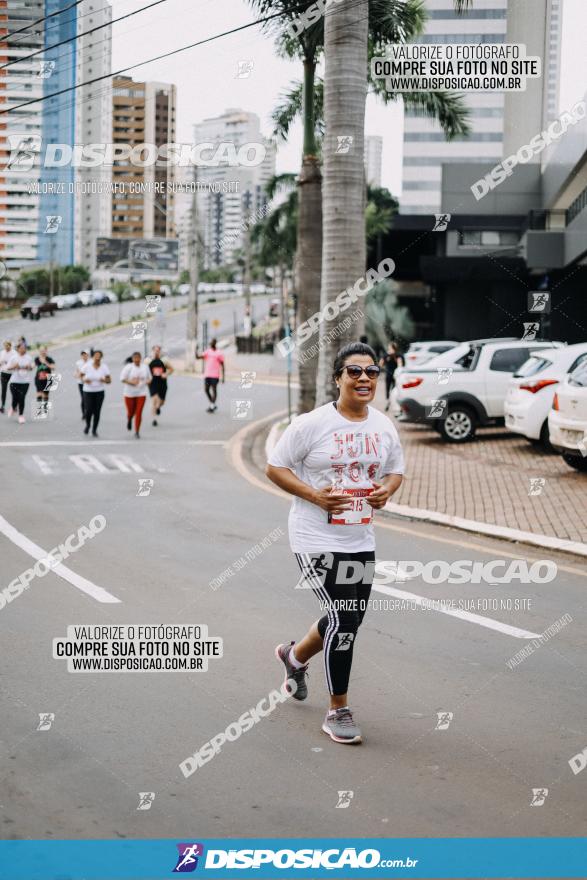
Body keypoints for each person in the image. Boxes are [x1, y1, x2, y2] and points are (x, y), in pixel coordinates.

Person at [266, 341, 405, 745]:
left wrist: (386, 490)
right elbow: (275, 467)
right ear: (338, 378)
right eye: (355, 372)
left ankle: (293, 657)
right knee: (344, 617)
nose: (364, 378)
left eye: (371, 372)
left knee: (349, 618)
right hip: (314, 537)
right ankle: (337, 711)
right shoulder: (311, 424)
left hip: (359, 536)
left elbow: (395, 471)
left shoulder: (383, 425)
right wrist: (315, 496)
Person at [120, 351, 150, 438]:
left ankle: (137, 431)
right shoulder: (128, 367)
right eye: (135, 358)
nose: (137, 360)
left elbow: (149, 378)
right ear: (132, 359)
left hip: (141, 393)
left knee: (139, 412)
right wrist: (131, 382)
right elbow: (122, 379)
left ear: (140, 358)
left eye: (138, 358)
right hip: (129, 393)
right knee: (131, 411)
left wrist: (147, 382)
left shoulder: (145, 367)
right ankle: (129, 419)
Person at [81, 349, 111, 437]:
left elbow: (109, 380)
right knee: (89, 410)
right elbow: (81, 375)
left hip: (99, 391)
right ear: (93, 357)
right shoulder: (87, 366)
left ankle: (94, 429)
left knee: (97, 411)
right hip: (88, 391)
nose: (97, 357)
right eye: (96, 356)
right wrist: (84, 380)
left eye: (99, 356)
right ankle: (88, 425)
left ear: (101, 357)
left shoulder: (104, 367)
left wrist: (104, 380)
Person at [145, 344, 174, 427]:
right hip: (153, 382)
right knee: (154, 400)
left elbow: (171, 369)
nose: (156, 352)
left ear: (160, 352)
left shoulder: (164, 361)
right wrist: (146, 379)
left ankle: (158, 407)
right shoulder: (148, 361)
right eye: (155, 350)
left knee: (162, 402)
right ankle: (154, 419)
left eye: (158, 351)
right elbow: (144, 371)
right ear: (152, 351)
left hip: (162, 383)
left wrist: (166, 374)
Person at [6, 341, 34, 424]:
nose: (23, 349)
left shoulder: (28, 357)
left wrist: (29, 367)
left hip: (25, 382)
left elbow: (31, 368)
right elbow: (7, 368)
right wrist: (14, 366)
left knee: (22, 398)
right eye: (21, 348)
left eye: (24, 348)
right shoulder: (13, 358)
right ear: (17, 349)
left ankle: (21, 415)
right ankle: (13, 407)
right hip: (14, 381)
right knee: (15, 398)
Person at [196, 338, 225, 413]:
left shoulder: (219, 353)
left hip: (215, 375)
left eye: (212, 342)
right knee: (206, 389)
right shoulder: (207, 352)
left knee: (214, 390)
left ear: (215, 343)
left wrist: (223, 377)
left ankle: (212, 405)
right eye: (210, 342)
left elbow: (222, 365)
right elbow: (198, 357)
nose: (211, 343)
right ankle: (212, 403)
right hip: (207, 375)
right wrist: (195, 350)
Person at [379, 342, 404, 412]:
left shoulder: (398, 355)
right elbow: (380, 364)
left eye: (390, 347)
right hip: (391, 375)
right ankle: (389, 401)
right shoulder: (386, 355)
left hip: (395, 376)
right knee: (389, 389)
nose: (389, 349)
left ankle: (391, 402)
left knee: (394, 390)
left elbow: (400, 365)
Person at [34, 347, 55, 417]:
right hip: (38, 378)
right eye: (41, 351)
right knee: (39, 393)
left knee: (46, 395)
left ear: (46, 351)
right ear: (39, 352)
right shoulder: (37, 359)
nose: (43, 352)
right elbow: (33, 365)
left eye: (44, 351)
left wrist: (45, 362)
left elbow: (53, 367)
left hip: (48, 378)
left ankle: (45, 409)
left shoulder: (49, 359)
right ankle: (39, 410)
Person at [74, 350, 90, 420]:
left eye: (85, 354)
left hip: (89, 383)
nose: (84, 356)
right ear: (81, 356)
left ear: (88, 355)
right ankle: (84, 414)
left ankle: (88, 412)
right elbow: (76, 372)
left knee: (89, 399)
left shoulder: (91, 362)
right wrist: (77, 375)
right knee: (83, 398)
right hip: (81, 383)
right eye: (83, 355)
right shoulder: (78, 363)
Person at [0, 340, 13, 413]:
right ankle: (3, 406)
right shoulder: (2, 353)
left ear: (10, 346)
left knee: (13, 391)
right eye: (5, 346)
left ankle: (14, 405)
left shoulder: (14, 353)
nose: (6, 347)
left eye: (7, 346)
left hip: (12, 374)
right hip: (4, 373)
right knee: (3, 390)